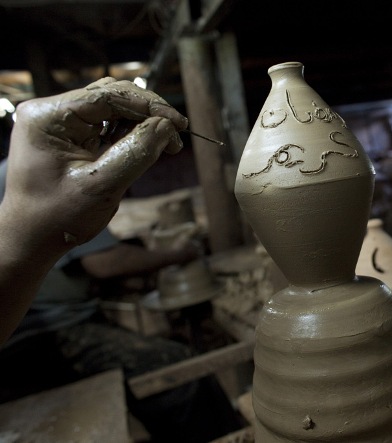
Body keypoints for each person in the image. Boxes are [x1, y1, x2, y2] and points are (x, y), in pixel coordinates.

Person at [0, 78, 242, 441]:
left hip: (45, 322)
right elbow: (104, 263)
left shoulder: (23, 166)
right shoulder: (27, 175)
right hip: (40, 335)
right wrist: (181, 253)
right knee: (177, 371)